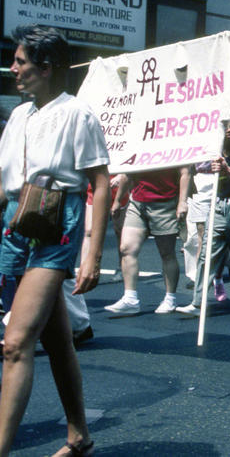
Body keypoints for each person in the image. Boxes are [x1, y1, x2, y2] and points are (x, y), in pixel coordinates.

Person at [0, 25, 111, 456]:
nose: (14, 68)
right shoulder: (19, 117)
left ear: (46, 69)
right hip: (15, 225)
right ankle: (78, 434)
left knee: (15, 343)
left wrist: (92, 255)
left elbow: (99, 184)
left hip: (56, 223)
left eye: (21, 61)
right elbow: (6, 185)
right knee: (57, 339)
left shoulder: (77, 113)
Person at [177, 119, 230, 316]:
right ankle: (198, 302)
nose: (229, 130)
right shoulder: (214, 150)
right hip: (219, 203)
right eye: (224, 127)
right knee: (206, 253)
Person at [104, 166, 190, 315]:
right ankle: (130, 298)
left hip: (165, 203)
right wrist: (117, 200)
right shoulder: (139, 142)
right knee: (126, 248)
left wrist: (182, 202)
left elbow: (185, 172)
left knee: (167, 253)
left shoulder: (175, 141)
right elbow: (128, 171)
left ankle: (170, 298)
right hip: (137, 203)